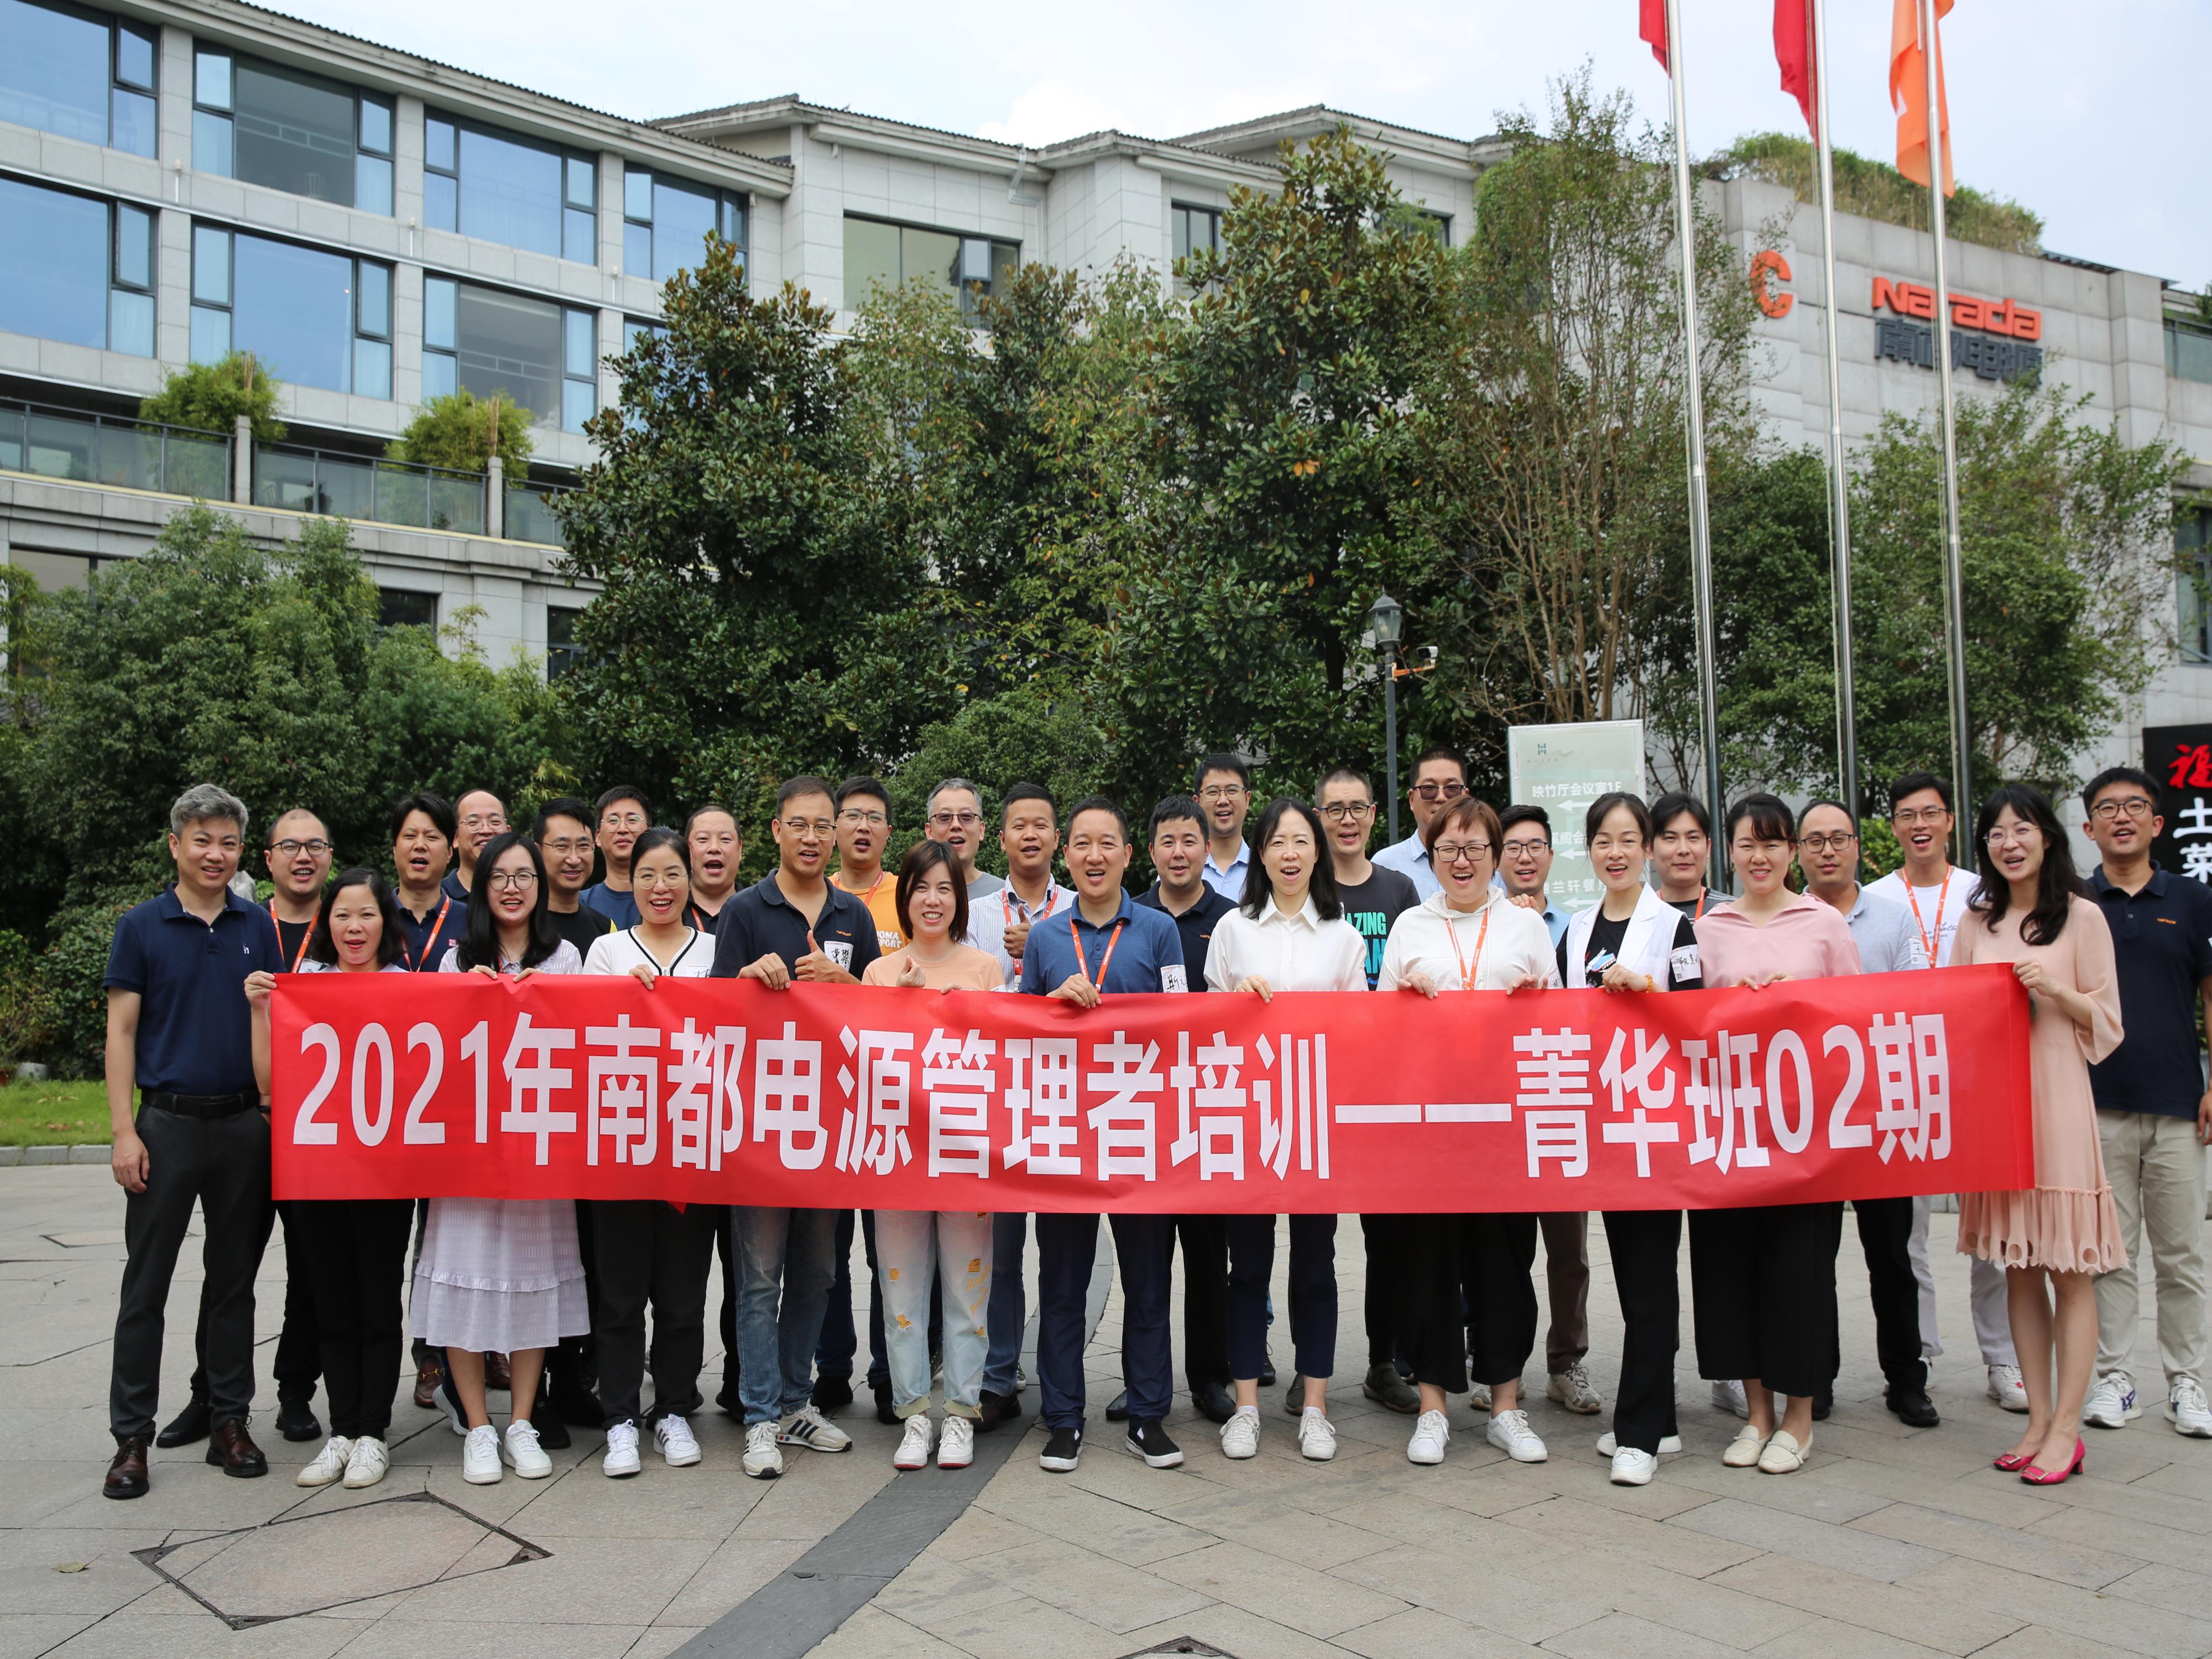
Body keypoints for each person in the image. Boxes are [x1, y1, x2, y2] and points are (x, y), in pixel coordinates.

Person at [101, 785, 284, 1500]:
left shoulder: (257, 925)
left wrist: (268, 1113)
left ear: (241, 852)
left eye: (228, 843)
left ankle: (229, 1421)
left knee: (234, 1283)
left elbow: (274, 1023)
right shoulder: (141, 927)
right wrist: (124, 1131)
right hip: (166, 1125)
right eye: (202, 840)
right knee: (145, 1285)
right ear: (176, 845)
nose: (216, 854)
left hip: (242, 1125)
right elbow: (121, 1032)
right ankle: (131, 1438)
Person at [1377, 794, 1557, 1468]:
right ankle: (1432, 1408)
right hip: (1430, 1129)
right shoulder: (1410, 927)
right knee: (1428, 1265)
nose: (1461, 861)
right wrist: (1404, 999)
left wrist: (1532, 1003)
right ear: (1430, 858)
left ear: (1495, 856)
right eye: (1448, 849)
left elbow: (1558, 1022)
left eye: (1475, 848)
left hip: (1506, 1129)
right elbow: (1378, 1028)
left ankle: (1506, 1406)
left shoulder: (1524, 926)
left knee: (1504, 1265)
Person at [710, 776, 881, 1478]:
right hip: (760, 1125)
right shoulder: (746, 910)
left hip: (830, 1125)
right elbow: (711, 1014)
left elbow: (881, 1019)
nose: (812, 838)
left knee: (818, 1272)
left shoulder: (852, 914)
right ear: (777, 830)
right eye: (799, 825)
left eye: (823, 827)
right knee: (758, 1279)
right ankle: (758, 1417)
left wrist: (848, 987)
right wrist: (747, 978)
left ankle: (793, 1402)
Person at [1957, 784, 2126, 1485]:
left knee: (2069, 1270)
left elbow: (2109, 1024)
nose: (2009, 842)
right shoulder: (1978, 920)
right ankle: (2036, 1419)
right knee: (2018, 1267)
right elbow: (1952, 1014)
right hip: (1999, 1111)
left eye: (2021, 829)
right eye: (1996, 833)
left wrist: (2054, 991)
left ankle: (2066, 1430)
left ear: (2047, 838)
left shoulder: (2081, 916)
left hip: (2057, 1107)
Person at [1691, 793, 1861, 1476]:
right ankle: (1756, 1413)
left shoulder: (1824, 924)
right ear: (1729, 853)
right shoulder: (1709, 929)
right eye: (1746, 844)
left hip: (1805, 1134)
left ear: (1791, 851)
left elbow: (1858, 1017)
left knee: (1800, 1274)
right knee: (1731, 1272)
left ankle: (1799, 1419)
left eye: (1771, 844)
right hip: (1729, 1132)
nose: (1758, 857)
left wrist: (1802, 1001)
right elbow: (1685, 1023)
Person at [1020, 795, 1190, 1474]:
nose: (1094, 856)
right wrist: (1051, 1002)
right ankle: (1063, 1418)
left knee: (1148, 1284)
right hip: (1062, 1134)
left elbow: (1180, 1023)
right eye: (1082, 844)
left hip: (1138, 1132)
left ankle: (1148, 1415)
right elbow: (1018, 1037)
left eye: (1107, 844)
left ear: (1127, 855)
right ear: (1067, 855)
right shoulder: (1044, 939)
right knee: (1062, 1287)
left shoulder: (1158, 931)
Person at [157, 808, 329, 1454]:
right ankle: (210, 1395)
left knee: (311, 1268)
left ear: (329, 857)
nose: (303, 857)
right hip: (246, 1124)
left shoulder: (345, 925)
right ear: (268, 857)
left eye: (316, 846)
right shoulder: (244, 924)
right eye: (291, 846)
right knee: (230, 1266)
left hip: (316, 1130)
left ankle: (295, 1392)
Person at [420, 832, 589, 1485]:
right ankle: (477, 1426)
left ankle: (520, 1421)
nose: (513, 888)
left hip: (537, 1150)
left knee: (533, 1279)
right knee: (462, 1280)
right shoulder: (454, 961)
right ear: (481, 886)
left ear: (539, 889)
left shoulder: (565, 958)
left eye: (524, 877)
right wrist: (465, 995)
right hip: (467, 1153)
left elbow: (584, 1044)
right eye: (500, 877)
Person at [1205, 797, 1367, 1463]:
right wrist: (1235, 1005)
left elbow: (1360, 1033)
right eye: (1277, 842)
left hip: (1316, 1120)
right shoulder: (1233, 929)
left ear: (1317, 852)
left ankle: (1317, 1406)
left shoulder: (1342, 936)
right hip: (1248, 1122)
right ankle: (1246, 1405)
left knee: (1315, 1265)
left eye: (1301, 841)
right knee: (1247, 1268)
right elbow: (1206, 1031)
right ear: (1262, 854)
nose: (1290, 853)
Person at [243, 868, 415, 1491]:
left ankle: (374, 1433)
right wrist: (260, 1010)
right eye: (343, 915)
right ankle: (342, 1430)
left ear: (385, 922)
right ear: (327, 923)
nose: (354, 927)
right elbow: (268, 1083)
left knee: (377, 1302)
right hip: (316, 1170)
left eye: (367, 914)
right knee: (332, 1302)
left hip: (385, 1174)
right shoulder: (305, 986)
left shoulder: (408, 988)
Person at [1559, 792, 1703, 1485]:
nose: (1614, 853)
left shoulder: (1675, 927)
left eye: (1627, 840)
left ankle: (1640, 1432)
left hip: (1655, 1125)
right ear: (1589, 850)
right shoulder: (1575, 929)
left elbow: (1700, 1018)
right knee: (1630, 1273)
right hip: (1600, 1126)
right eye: (1602, 841)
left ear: (1647, 848)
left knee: (1649, 1279)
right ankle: (1661, 1418)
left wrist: (1646, 989)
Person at [1870, 772, 2023, 1413]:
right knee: (1907, 1236)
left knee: (1991, 1229)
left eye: (1930, 813)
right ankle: (1921, 1353)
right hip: (1904, 1083)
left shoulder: (1983, 894)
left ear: (1950, 821)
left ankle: (2002, 1358)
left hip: (1976, 1078)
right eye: (1907, 815)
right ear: (1893, 826)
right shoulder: (1876, 899)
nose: (1919, 825)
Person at [579, 828, 722, 1477]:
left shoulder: (715, 951)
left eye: (671, 875)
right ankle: (618, 1417)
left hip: (693, 1147)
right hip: (622, 1146)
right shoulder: (607, 951)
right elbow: (584, 1037)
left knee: (682, 1294)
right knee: (619, 1295)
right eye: (646, 876)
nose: (659, 888)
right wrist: (618, 996)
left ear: (690, 881)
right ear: (628, 883)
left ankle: (672, 1409)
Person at [2077, 768, 2212, 1438]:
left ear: (2157, 824)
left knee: (2182, 1254)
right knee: (2110, 1254)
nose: (2121, 817)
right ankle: (2115, 1379)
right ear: (2088, 828)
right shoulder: (2075, 902)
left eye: (2134, 806)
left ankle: (2187, 1381)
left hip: (2178, 1104)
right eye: (2107, 808)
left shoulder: (2191, 898)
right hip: (2095, 1103)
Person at [1797, 800, 1940, 1430]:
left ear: (1857, 845)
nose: (1827, 851)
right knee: (1813, 1258)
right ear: (1798, 852)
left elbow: (1918, 1002)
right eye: (1815, 841)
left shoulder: (1893, 917)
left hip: (1881, 1113)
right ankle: (1816, 1379)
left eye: (1838, 839)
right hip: (1810, 1117)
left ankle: (1906, 1379)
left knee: (1892, 1256)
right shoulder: (1788, 918)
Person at [857, 841, 999, 1470]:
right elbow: (864, 1064)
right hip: (898, 1158)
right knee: (902, 1298)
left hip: (967, 1159)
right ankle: (914, 1414)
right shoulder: (879, 973)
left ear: (959, 898)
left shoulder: (985, 969)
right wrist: (901, 1003)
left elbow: (1006, 1063)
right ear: (905, 897)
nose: (932, 900)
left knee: (968, 1297)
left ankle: (962, 1413)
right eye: (920, 887)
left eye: (944, 888)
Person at [1126, 796, 1237, 1431]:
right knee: (1143, 1264)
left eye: (1189, 841)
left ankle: (1210, 1377)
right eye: (1166, 841)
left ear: (1206, 848)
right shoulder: (1129, 915)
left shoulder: (1232, 919)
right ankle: (1142, 1381)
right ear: (1150, 852)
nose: (1178, 852)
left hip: (1207, 1109)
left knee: (1206, 1257)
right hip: (1140, 1109)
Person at [1316, 766, 1421, 1415]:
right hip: (1320, 1086)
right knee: (1314, 1238)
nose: (1347, 820)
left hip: (1386, 1086)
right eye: (1335, 809)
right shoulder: (1307, 887)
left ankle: (1387, 1361)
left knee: (1390, 1236)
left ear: (1374, 816)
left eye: (1357, 808)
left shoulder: (1398, 889)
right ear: (1320, 817)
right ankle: (1312, 1368)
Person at [1495, 802, 1598, 1420]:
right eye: (1513, 847)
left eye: (1535, 846)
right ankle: (1497, 1362)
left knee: (1568, 1248)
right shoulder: (1481, 924)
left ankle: (1566, 1362)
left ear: (1552, 856)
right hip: (1500, 1109)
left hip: (1560, 1100)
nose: (1525, 856)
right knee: (1503, 1249)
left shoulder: (1579, 928)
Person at [967, 783, 1072, 987]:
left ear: (1056, 839)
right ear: (1003, 840)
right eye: (1019, 826)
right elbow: (968, 989)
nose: (1030, 834)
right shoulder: (975, 915)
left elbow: (1092, 977)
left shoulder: (1079, 909)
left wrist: (1037, 948)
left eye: (1040, 826)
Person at [1371, 747, 1470, 901]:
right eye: (1429, 789)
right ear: (1412, 799)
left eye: (1452, 788)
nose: (1441, 798)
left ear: (1466, 796)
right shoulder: (1384, 865)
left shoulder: (1489, 864)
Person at [390, 791, 467, 972]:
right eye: (410, 836)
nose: (420, 845)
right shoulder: (374, 918)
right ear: (395, 850)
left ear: (449, 852)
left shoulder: (471, 921)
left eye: (432, 837)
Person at [533, 796, 617, 957]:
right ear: (538, 851)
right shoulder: (518, 925)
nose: (574, 859)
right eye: (562, 846)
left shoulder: (606, 929)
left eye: (583, 846)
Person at [831, 776, 903, 952]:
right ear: (834, 826)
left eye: (875, 818)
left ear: (888, 832)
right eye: (853, 816)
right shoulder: (816, 893)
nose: (863, 827)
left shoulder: (908, 896)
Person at [1650, 792, 1728, 920]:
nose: (1683, 850)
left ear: (1708, 847)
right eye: (1670, 838)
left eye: (1693, 838)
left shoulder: (1732, 913)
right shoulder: (1636, 915)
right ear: (1649, 849)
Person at [582, 785, 651, 927]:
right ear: (598, 837)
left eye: (632, 820)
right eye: (613, 820)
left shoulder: (667, 902)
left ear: (650, 834)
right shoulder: (579, 905)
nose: (622, 829)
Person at [924, 778, 1001, 901]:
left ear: (981, 830)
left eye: (966, 817)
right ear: (929, 831)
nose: (956, 825)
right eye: (945, 817)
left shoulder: (1004, 895)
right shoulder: (910, 894)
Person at [1195, 753, 1254, 898]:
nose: (1223, 800)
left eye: (1232, 791)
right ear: (1197, 803)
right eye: (1213, 792)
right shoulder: (1181, 870)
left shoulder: (1266, 868)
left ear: (1247, 800)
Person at [685, 804, 743, 932]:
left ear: (740, 850)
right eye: (703, 839)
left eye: (725, 839)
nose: (714, 848)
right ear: (687, 850)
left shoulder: (758, 911)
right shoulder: (668, 911)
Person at [445, 789, 509, 901]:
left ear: (509, 833)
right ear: (455, 837)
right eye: (473, 822)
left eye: (495, 821)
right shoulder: (438, 898)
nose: (486, 830)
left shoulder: (523, 896)